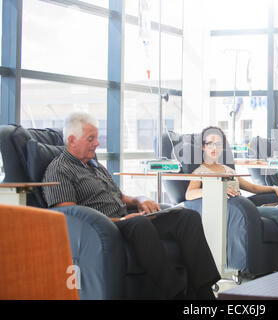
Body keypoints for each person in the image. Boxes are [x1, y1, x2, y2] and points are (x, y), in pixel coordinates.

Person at [42, 112, 220, 300]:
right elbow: (69, 217)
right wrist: (120, 220)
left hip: (127, 220)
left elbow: (118, 196)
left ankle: (204, 294)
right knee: (139, 225)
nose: (97, 143)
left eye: (96, 138)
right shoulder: (59, 170)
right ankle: (176, 295)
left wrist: (139, 200)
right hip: (105, 227)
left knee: (186, 217)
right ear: (72, 140)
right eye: (91, 139)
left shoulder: (94, 165)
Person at [185, 126, 278, 263]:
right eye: (210, 143)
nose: (214, 148)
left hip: (245, 208)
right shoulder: (200, 171)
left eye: (218, 144)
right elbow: (189, 194)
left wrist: (274, 188)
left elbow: (253, 187)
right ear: (203, 146)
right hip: (231, 211)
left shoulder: (227, 169)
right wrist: (216, 189)